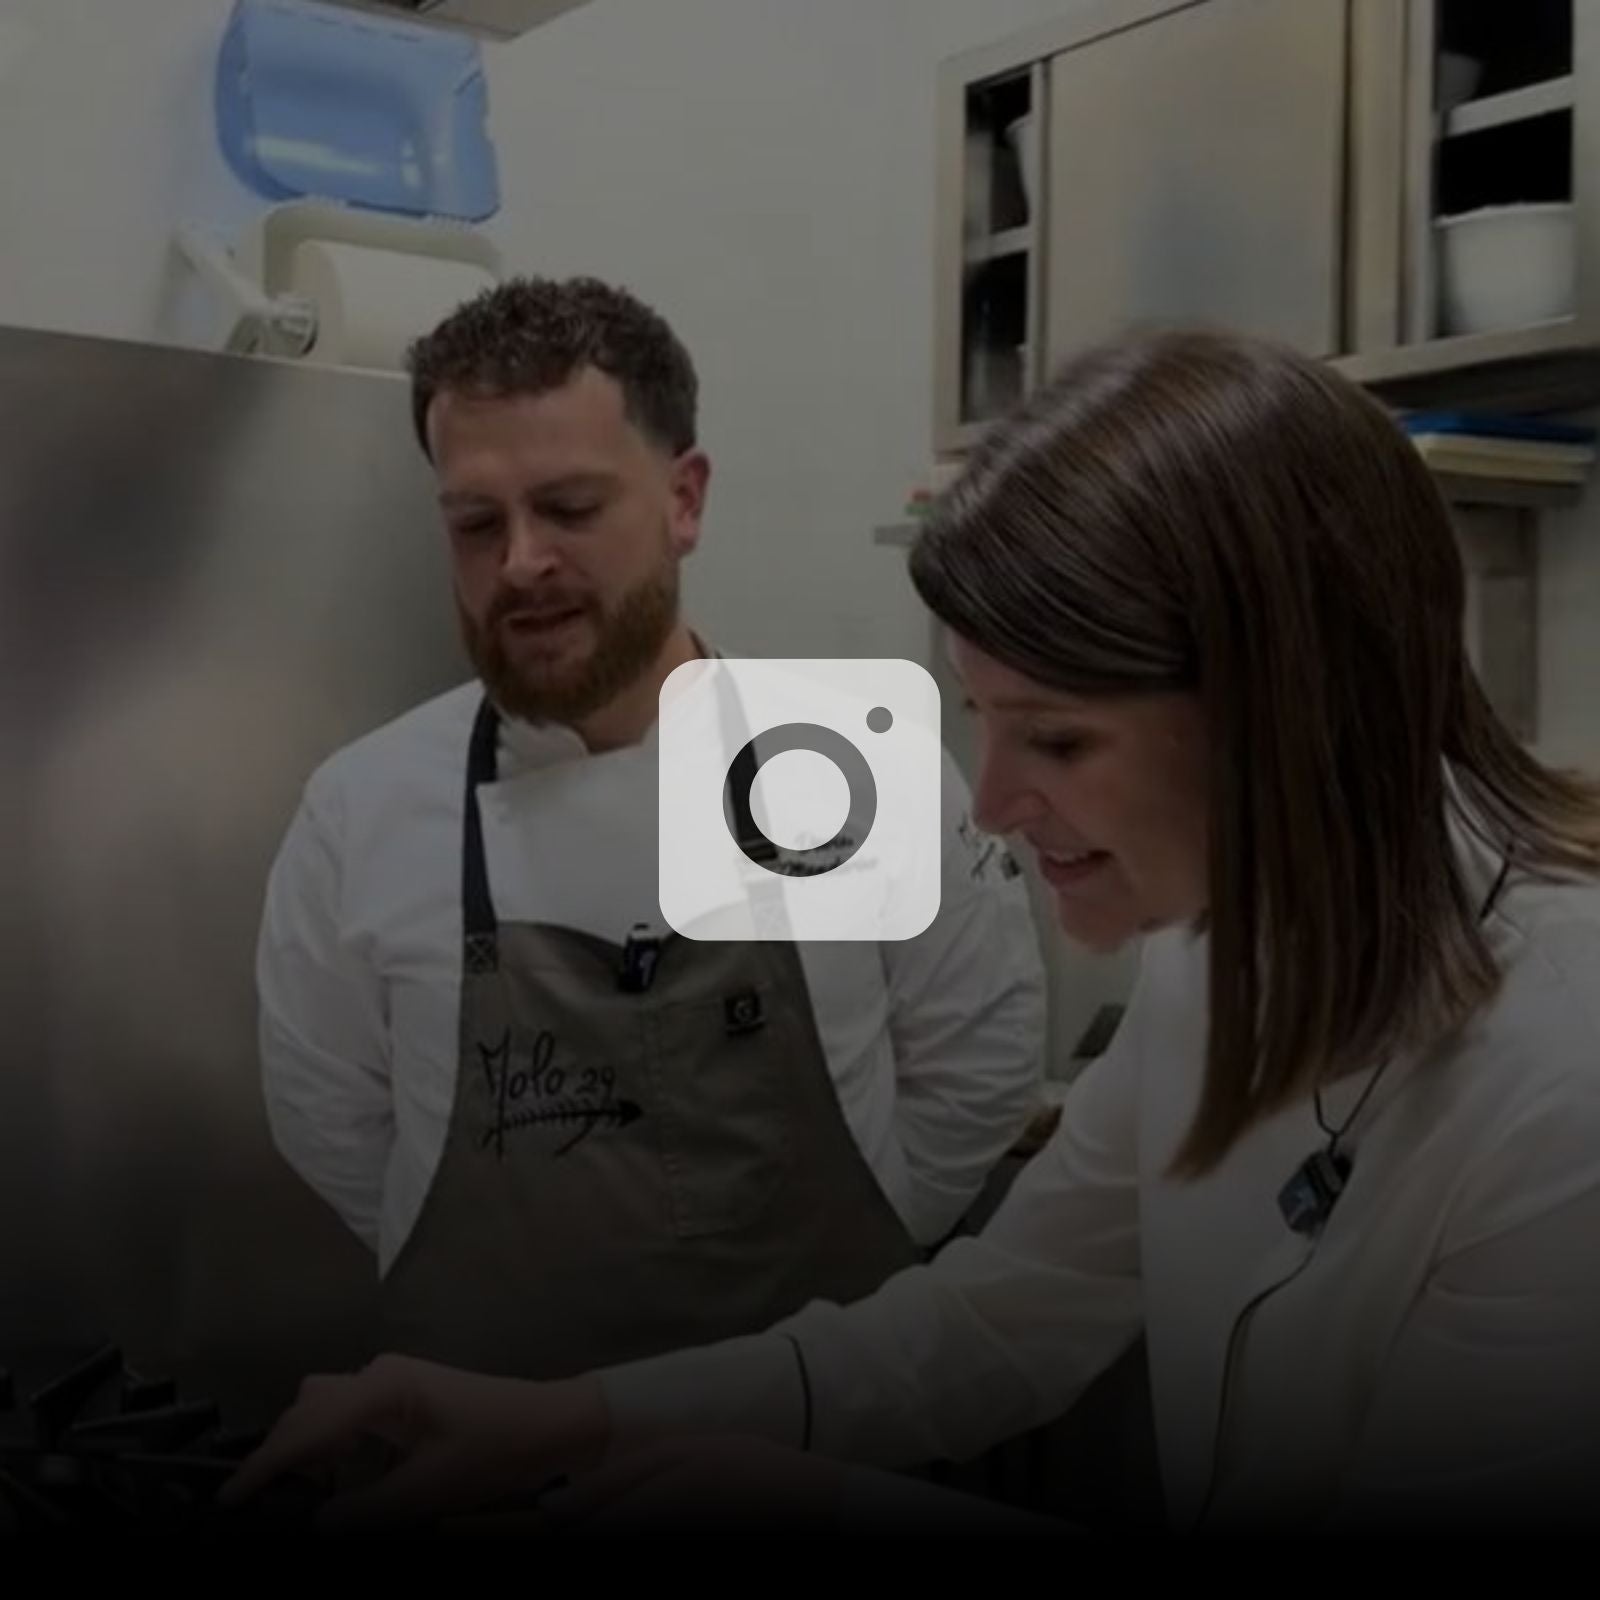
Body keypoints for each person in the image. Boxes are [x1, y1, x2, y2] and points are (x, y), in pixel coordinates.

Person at [229, 326, 1600, 1537]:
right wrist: (584, 1417)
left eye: (1056, 739)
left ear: (1285, 714)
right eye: (981, 721)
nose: (991, 805)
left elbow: (968, 1080)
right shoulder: (1213, 946)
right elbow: (1003, 1311)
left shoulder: (1560, 1084)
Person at [252, 275, 1048, 1389]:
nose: (520, 561)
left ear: (684, 500)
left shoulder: (862, 769)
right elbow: (331, 1121)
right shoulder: (361, 813)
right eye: (476, 523)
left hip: (811, 1441)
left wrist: (852, 1263)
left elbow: (980, 1065)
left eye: (570, 509)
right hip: (481, 1450)